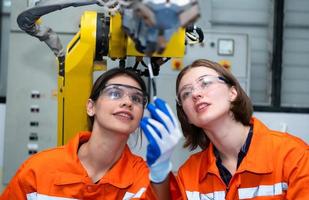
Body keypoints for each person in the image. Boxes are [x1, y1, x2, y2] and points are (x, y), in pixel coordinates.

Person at [140, 59, 309, 199]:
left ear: (232, 92)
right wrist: (159, 174)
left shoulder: (292, 156)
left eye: (205, 83)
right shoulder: (189, 174)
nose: (195, 94)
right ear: (186, 116)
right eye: (186, 93)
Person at [1, 68, 156, 199]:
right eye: (115, 93)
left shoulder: (145, 180)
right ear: (91, 107)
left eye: (136, 98)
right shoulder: (39, 169)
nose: (128, 102)